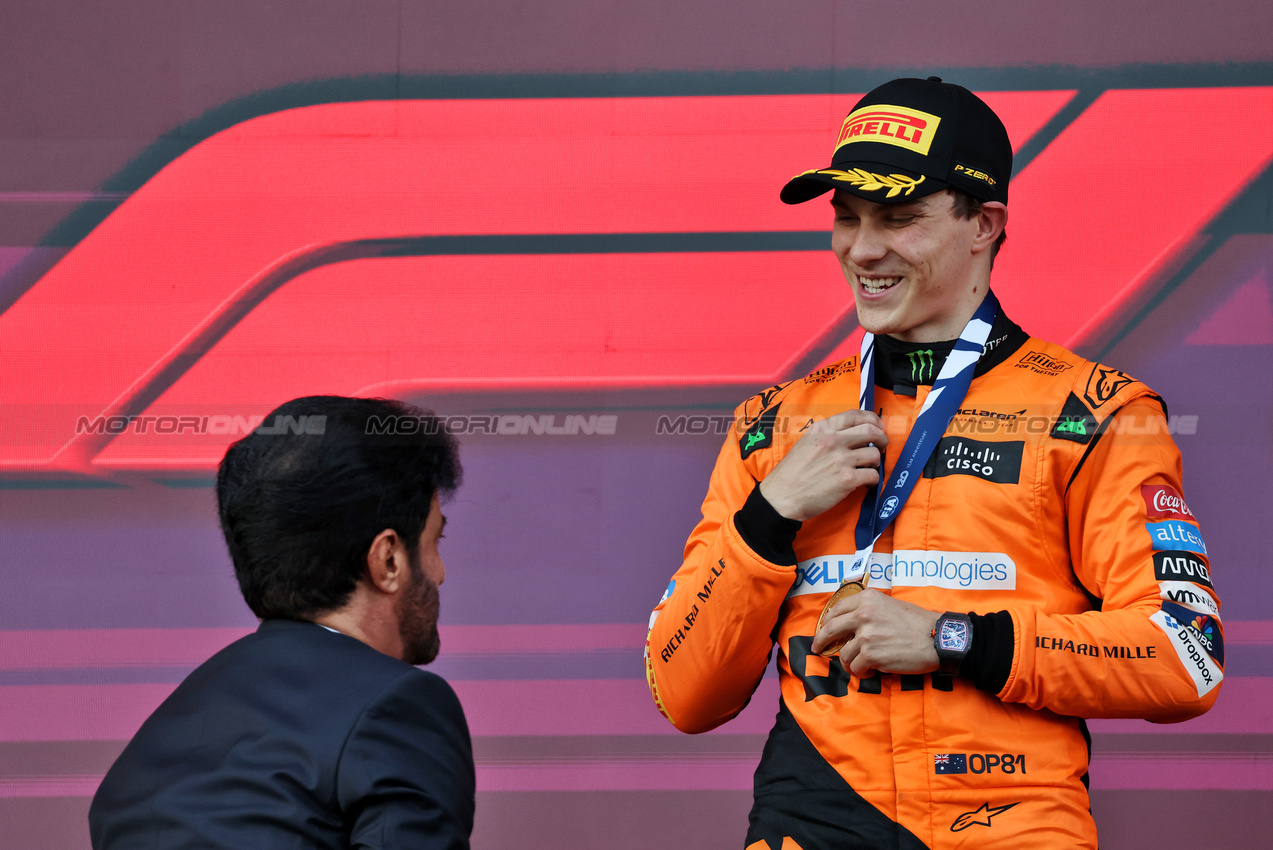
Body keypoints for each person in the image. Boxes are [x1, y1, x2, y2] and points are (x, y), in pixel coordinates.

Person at [644, 77, 1223, 849]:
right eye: (845, 219)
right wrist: (766, 516)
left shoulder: (1097, 413)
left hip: (1010, 826)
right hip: (810, 821)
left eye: (899, 217)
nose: (862, 248)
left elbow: (1186, 658)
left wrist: (956, 637)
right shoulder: (772, 427)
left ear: (982, 225)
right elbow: (683, 695)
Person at [89, 396, 474, 850]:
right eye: (435, 540)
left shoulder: (149, 753)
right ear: (387, 558)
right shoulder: (398, 704)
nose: (440, 572)